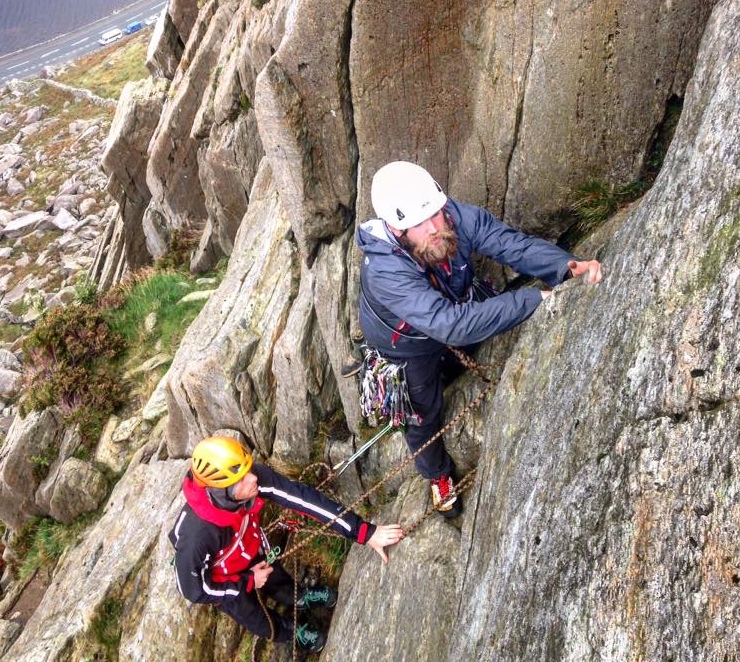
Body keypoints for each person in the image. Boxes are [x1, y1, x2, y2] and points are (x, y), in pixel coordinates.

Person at [356, 161, 602, 517]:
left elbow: (505, 242)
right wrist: (532, 299)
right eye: (423, 224)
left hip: (452, 306)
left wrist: (565, 267)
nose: (437, 228)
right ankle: (436, 473)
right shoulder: (384, 270)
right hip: (407, 347)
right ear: (395, 227)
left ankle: (454, 366)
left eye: (437, 214)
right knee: (422, 411)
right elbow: (449, 325)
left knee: (470, 344)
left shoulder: (443, 215)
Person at [170, 435, 404, 653]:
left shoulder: (251, 480)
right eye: (241, 479)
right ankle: (291, 633)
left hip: (250, 548)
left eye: (248, 469)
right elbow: (192, 589)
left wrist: (364, 532)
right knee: (257, 619)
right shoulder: (197, 535)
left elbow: (303, 499)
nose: (253, 478)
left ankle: (300, 597)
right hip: (223, 580)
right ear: (223, 493)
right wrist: (248, 580)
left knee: (277, 578)